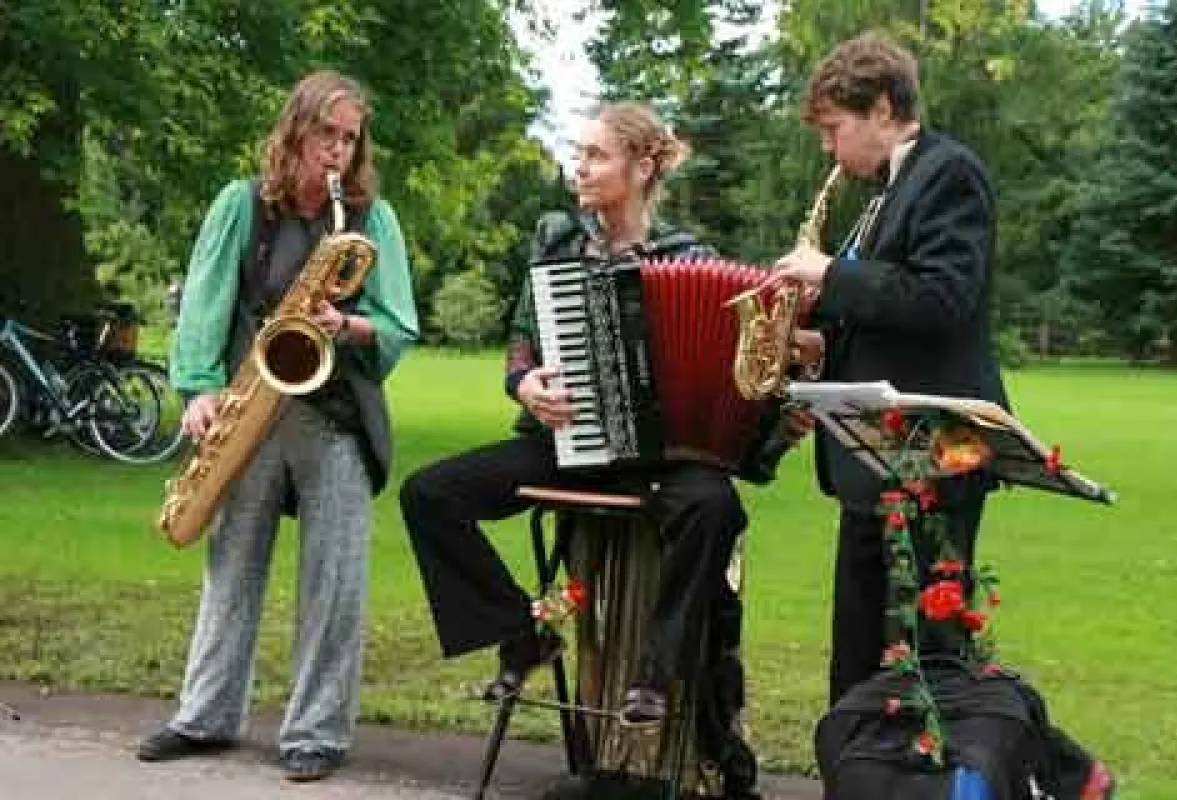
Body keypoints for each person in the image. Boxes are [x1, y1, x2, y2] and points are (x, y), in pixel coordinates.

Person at [399, 102, 758, 793]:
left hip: (661, 462)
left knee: (714, 503)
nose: (579, 166)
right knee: (430, 495)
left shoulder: (691, 260)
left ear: (642, 167)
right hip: (565, 446)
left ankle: (658, 671)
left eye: (595, 154)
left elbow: (733, 377)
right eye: (579, 152)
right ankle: (521, 633)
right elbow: (521, 342)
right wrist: (524, 384)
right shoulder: (559, 246)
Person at [136, 70, 419, 782]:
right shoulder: (240, 205)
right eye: (327, 134)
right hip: (251, 403)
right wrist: (198, 390)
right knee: (231, 564)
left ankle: (316, 733)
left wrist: (345, 323)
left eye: (350, 140)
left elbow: (399, 323)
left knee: (336, 578)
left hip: (335, 417)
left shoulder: (370, 220)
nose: (338, 153)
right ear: (295, 131)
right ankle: (205, 715)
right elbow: (203, 304)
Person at [768, 34, 1009, 706]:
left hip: (936, 456)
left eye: (833, 128)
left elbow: (942, 298)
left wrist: (831, 274)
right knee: (858, 664)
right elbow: (892, 311)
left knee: (927, 667)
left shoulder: (949, 173)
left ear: (880, 108)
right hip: (879, 459)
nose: (828, 148)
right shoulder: (888, 189)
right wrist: (820, 347)